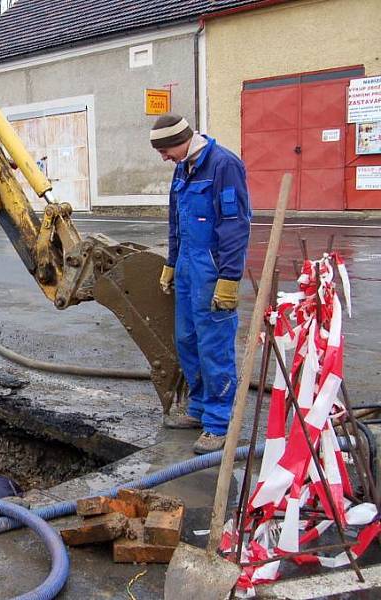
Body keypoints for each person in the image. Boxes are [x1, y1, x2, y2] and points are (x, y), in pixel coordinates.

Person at [150, 114, 251, 454]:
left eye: (165, 150)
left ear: (181, 140)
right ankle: (198, 410)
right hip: (187, 272)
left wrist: (229, 278)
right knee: (187, 342)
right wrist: (171, 263)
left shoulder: (224, 165)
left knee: (214, 347)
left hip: (212, 274)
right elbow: (175, 224)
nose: (164, 158)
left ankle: (219, 424)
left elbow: (235, 227)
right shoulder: (183, 170)